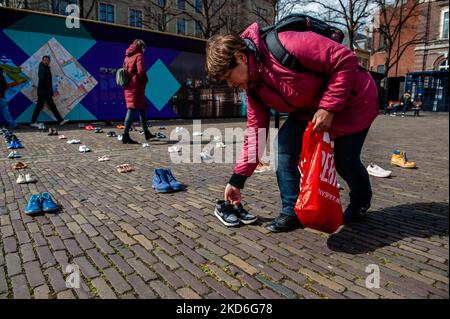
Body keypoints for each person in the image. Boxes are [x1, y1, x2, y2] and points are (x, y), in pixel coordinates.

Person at [206, 22, 379, 232]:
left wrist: (329, 107)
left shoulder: (287, 43)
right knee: (284, 145)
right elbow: (256, 134)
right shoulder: (254, 88)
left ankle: (361, 202)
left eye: (228, 78)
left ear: (240, 58)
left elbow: (345, 59)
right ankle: (293, 211)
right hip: (311, 110)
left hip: (355, 101)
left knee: (345, 161)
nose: (231, 85)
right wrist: (237, 180)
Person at [122, 39, 154, 144]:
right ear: (141, 47)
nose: (145, 50)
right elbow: (141, 71)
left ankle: (146, 133)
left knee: (142, 109)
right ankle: (125, 135)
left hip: (129, 86)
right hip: (136, 87)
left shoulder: (127, 56)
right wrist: (145, 80)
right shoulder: (139, 55)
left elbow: (125, 70)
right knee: (131, 109)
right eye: (144, 48)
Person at [30, 56, 67, 127]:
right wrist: (47, 88)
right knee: (39, 107)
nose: (46, 61)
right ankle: (33, 122)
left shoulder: (46, 68)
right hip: (44, 92)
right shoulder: (42, 68)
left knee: (52, 106)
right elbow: (42, 79)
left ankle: (60, 120)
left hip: (46, 92)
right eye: (45, 60)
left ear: (49, 61)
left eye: (47, 60)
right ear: (42, 61)